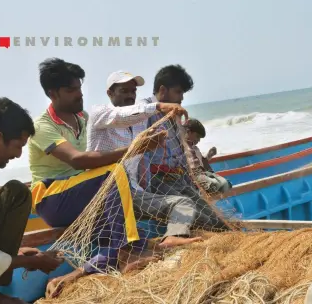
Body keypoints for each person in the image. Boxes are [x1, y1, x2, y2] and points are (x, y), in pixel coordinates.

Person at [27, 58, 164, 298]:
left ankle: (73, 275)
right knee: (115, 171)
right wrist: (136, 149)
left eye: (79, 87)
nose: (79, 94)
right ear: (52, 93)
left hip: (81, 194)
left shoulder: (81, 118)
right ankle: (129, 248)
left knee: (112, 243)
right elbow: (79, 160)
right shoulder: (42, 126)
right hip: (52, 200)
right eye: (71, 90)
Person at [87, 70, 219, 248]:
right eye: (124, 91)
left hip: (133, 190)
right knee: (185, 205)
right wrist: (159, 106)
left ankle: (178, 236)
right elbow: (122, 116)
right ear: (109, 93)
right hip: (108, 191)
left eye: (133, 91)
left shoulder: (137, 126)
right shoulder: (99, 113)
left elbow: (141, 162)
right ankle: (174, 237)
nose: (130, 96)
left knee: (203, 213)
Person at [0, 97, 64, 304]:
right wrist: (29, 260)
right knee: (18, 193)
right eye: (18, 146)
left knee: (15, 192)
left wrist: (20, 253)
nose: (18, 155)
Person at [138, 65, 231, 230]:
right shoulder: (144, 110)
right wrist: (146, 191)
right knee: (205, 222)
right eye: (178, 92)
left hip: (180, 179)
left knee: (217, 221)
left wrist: (191, 182)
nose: (181, 98)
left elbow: (180, 152)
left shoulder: (174, 113)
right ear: (162, 90)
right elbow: (140, 153)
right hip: (159, 181)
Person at [183, 118, 232, 194]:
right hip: (193, 175)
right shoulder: (181, 147)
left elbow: (203, 162)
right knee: (214, 185)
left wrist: (209, 155)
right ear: (188, 132)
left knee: (226, 184)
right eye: (197, 136)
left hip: (203, 173)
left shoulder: (196, 149)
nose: (198, 140)